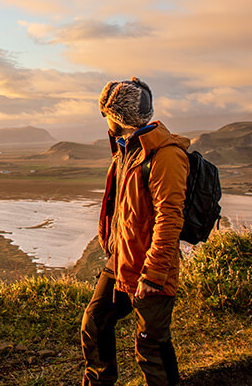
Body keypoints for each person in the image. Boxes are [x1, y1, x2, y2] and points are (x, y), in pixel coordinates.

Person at [81, 77, 190, 386]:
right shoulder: (129, 149)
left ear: (117, 117)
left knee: (151, 347)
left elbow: (169, 219)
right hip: (121, 261)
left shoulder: (166, 156)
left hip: (152, 269)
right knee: (96, 322)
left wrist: (154, 275)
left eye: (108, 115)